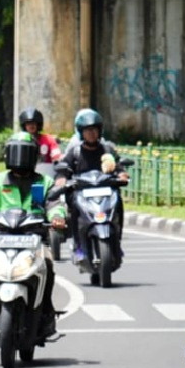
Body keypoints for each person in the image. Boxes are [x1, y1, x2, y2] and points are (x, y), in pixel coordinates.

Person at [0, 131, 67, 337]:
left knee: (47, 266)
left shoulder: (44, 182)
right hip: (1, 238)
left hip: (36, 238)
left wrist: (57, 217)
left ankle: (46, 312)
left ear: (34, 156)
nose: (20, 158)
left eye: (25, 153)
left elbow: (55, 205)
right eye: (16, 152)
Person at [55, 108, 127, 262]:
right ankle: (78, 245)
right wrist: (62, 178)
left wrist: (122, 174)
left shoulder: (107, 150)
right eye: (88, 130)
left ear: (100, 130)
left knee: (119, 203)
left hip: (106, 193)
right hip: (82, 194)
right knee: (73, 206)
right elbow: (64, 168)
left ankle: (117, 243)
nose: (92, 133)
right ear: (81, 132)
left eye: (94, 129)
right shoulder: (75, 152)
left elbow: (119, 166)